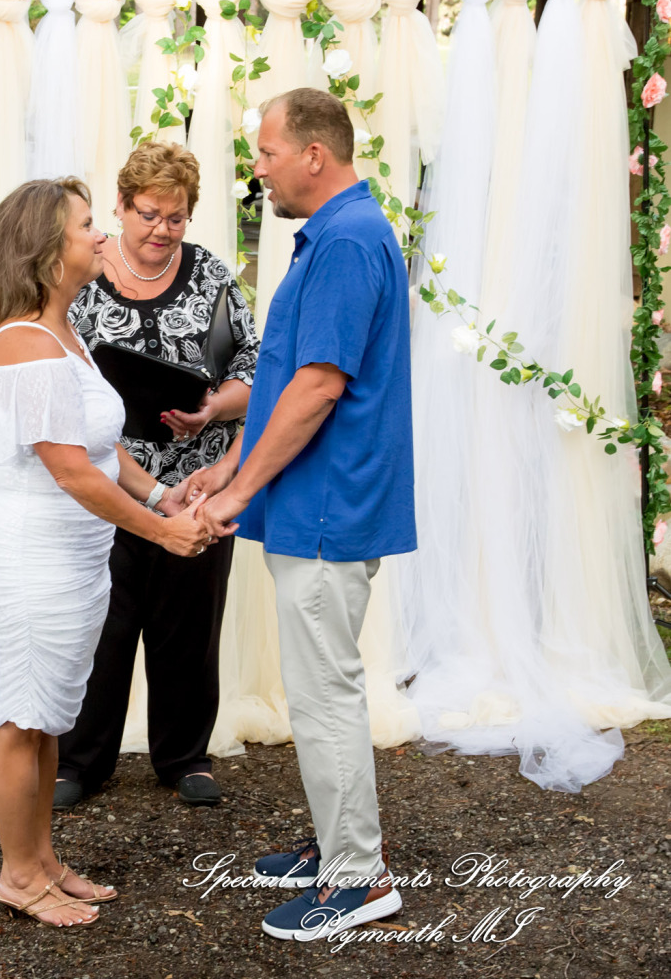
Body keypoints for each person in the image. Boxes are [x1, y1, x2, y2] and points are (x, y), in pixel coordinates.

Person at [195, 89, 416, 939]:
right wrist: (229, 459)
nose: (258, 168)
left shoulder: (349, 240)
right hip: (312, 497)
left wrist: (240, 491)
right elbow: (291, 376)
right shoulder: (333, 235)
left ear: (313, 155)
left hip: (328, 504)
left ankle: (359, 879)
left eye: (265, 153)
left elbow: (321, 385)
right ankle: (338, 845)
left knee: (324, 694)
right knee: (318, 687)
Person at [0, 178, 212, 929]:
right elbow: (68, 469)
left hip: (71, 556)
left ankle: (42, 860)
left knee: (49, 718)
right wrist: (165, 534)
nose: (102, 237)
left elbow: (100, 451)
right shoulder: (23, 343)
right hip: (29, 555)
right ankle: (17, 876)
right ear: (48, 251)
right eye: (86, 227)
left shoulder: (62, 330)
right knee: (23, 715)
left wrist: (158, 496)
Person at [54, 143, 260, 809]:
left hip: (197, 484)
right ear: (120, 206)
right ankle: (80, 761)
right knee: (102, 624)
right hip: (105, 482)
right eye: (148, 214)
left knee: (188, 626)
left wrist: (213, 408)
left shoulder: (210, 277)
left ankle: (183, 756)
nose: (160, 230)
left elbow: (255, 372)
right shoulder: (82, 273)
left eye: (176, 218)